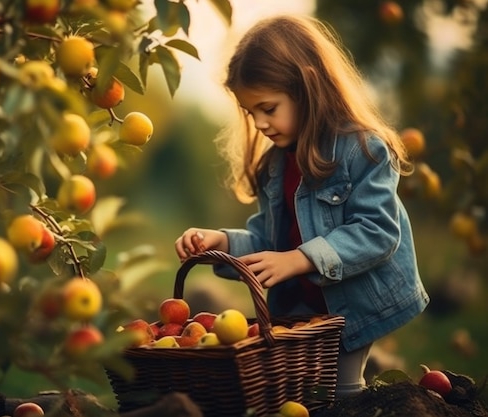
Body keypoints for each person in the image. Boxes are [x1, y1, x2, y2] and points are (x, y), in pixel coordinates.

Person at [174, 14, 430, 398]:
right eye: (250, 112)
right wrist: (222, 244)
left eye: (268, 108)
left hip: (353, 307)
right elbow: (268, 241)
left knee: (338, 393)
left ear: (306, 87)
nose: (259, 122)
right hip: (301, 310)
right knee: (288, 394)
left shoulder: (363, 150)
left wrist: (299, 259)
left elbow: (377, 232)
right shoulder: (277, 164)